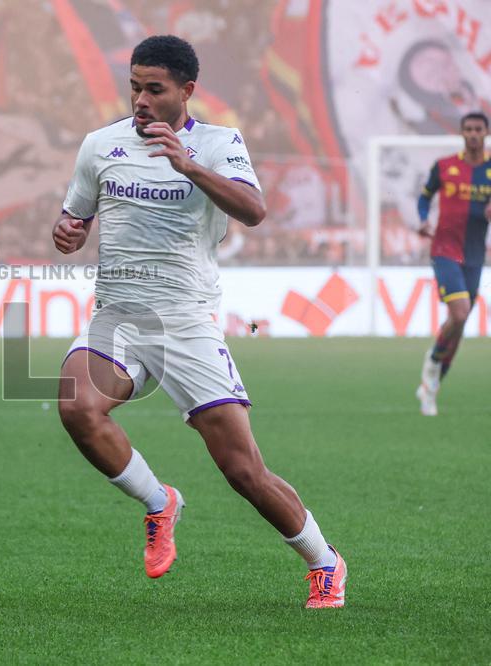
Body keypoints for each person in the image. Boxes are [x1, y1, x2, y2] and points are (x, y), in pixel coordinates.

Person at [52, 35, 346, 608]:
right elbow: (74, 217)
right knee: (77, 407)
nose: (140, 99)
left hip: (185, 321)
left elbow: (254, 210)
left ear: (187, 91)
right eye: (134, 87)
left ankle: (324, 559)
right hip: (117, 316)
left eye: (154, 89)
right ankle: (160, 502)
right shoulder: (100, 145)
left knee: (242, 470)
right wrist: (68, 232)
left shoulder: (217, 143)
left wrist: (186, 165)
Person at [415, 111, 491, 416]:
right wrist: (423, 219)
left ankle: (432, 383)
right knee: (458, 313)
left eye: (478, 129)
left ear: (486, 133)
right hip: (445, 250)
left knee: (458, 326)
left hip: (474, 255)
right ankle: (432, 367)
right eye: (468, 129)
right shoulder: (445, 166)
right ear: (462, 133)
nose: (473, 134)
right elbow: (424, 197)